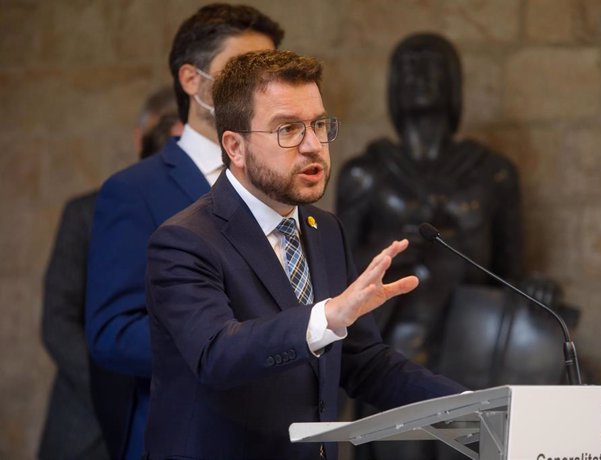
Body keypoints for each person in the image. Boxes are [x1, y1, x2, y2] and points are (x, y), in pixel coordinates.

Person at [144, 49, 466, 460]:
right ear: (236, 147)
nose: (313, 145)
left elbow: (361, 361)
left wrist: (471, 405)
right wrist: (327, 316)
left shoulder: (325, 230)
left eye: (318, 125)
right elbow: (216, 355)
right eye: (288, 129)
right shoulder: (184, 241)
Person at [85, 4, 284, 459]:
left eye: (268, 74)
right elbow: (112, 334)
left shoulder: (282, 183)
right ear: (192, 81)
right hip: (189, 436)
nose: (262, 89)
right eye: (241, 71)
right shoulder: (134, 190)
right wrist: (234, 345)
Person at [336, 32, 522, 460]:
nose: (418, 76)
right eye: (408, 66)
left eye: (431, 64)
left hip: (471, 341)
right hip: (396, 342)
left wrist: (536, 290)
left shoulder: (492, 173)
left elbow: (510, 269)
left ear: (454, 82)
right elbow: (339, 276)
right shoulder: (366, 173)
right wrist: (393, 250)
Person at [38, 85, 181, 460]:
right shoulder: (86, 212)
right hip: (86, 425)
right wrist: (113, 392)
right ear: (140, 138)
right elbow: (58, 320)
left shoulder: (207, 216)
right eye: (162, 134)